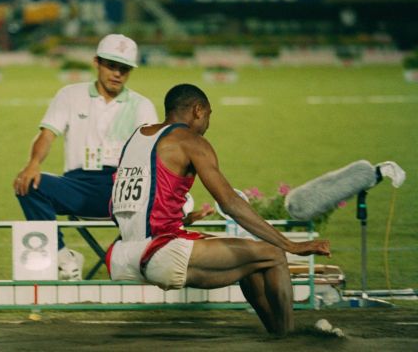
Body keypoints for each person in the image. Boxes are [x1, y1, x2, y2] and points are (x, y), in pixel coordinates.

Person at [107, 84, 331, 335]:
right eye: (209, 115)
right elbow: (230, 203)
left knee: (252, 261)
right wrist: (291, 245)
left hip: (123, 256)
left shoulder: (136, 138)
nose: (208, 124)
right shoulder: (192, 141)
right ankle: (291, 338)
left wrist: (182, 219)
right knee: (274, 254)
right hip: (162, 253)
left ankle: (278, 334)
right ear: (198, 110)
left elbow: (122, 205)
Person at [13, 34, 159, 280]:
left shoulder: (142, 106)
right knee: (29, 185)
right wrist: (32, 165)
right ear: (97, 62)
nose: (117, 74)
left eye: (124, 69)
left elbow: (153, 154)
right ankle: (64, 258)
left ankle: (143, 263)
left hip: (123, 189)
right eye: (111, 66)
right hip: (77, 186)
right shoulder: (70, 95)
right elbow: (47, 135)